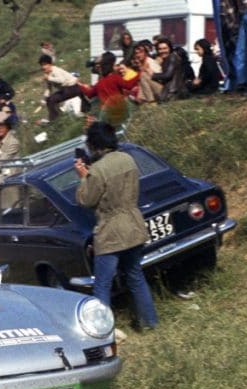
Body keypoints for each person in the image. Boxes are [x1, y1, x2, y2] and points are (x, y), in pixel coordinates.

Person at [74, 122, 158, 332]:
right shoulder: (128, 159)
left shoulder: (98, 170)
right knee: (136, 277)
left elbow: (86, 200)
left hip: (111, 231)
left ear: (94, 144)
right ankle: (150, 323)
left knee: (102, 285)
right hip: (133, 224)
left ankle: (103, 331)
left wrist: (84, 178)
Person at [78, 52, 139, 125]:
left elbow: (89, 94)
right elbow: (129, 85)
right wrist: (140, 74)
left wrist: (79, 85)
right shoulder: (115, 78)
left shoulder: (99, 84)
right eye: (114, 65)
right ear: (111, 66)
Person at [39, 54, 83, 123]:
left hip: (73, 88)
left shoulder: (55, 70)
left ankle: (55, 120)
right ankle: (57, 118)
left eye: (44, 64)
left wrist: (49, 78)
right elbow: (48, 88)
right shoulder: (48, 75)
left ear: (50, 64)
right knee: (50, 99)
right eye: (41, 65)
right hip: (67, 89)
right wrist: (44, 99)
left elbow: (61, 80)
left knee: (52, 99)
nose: (43, 67)